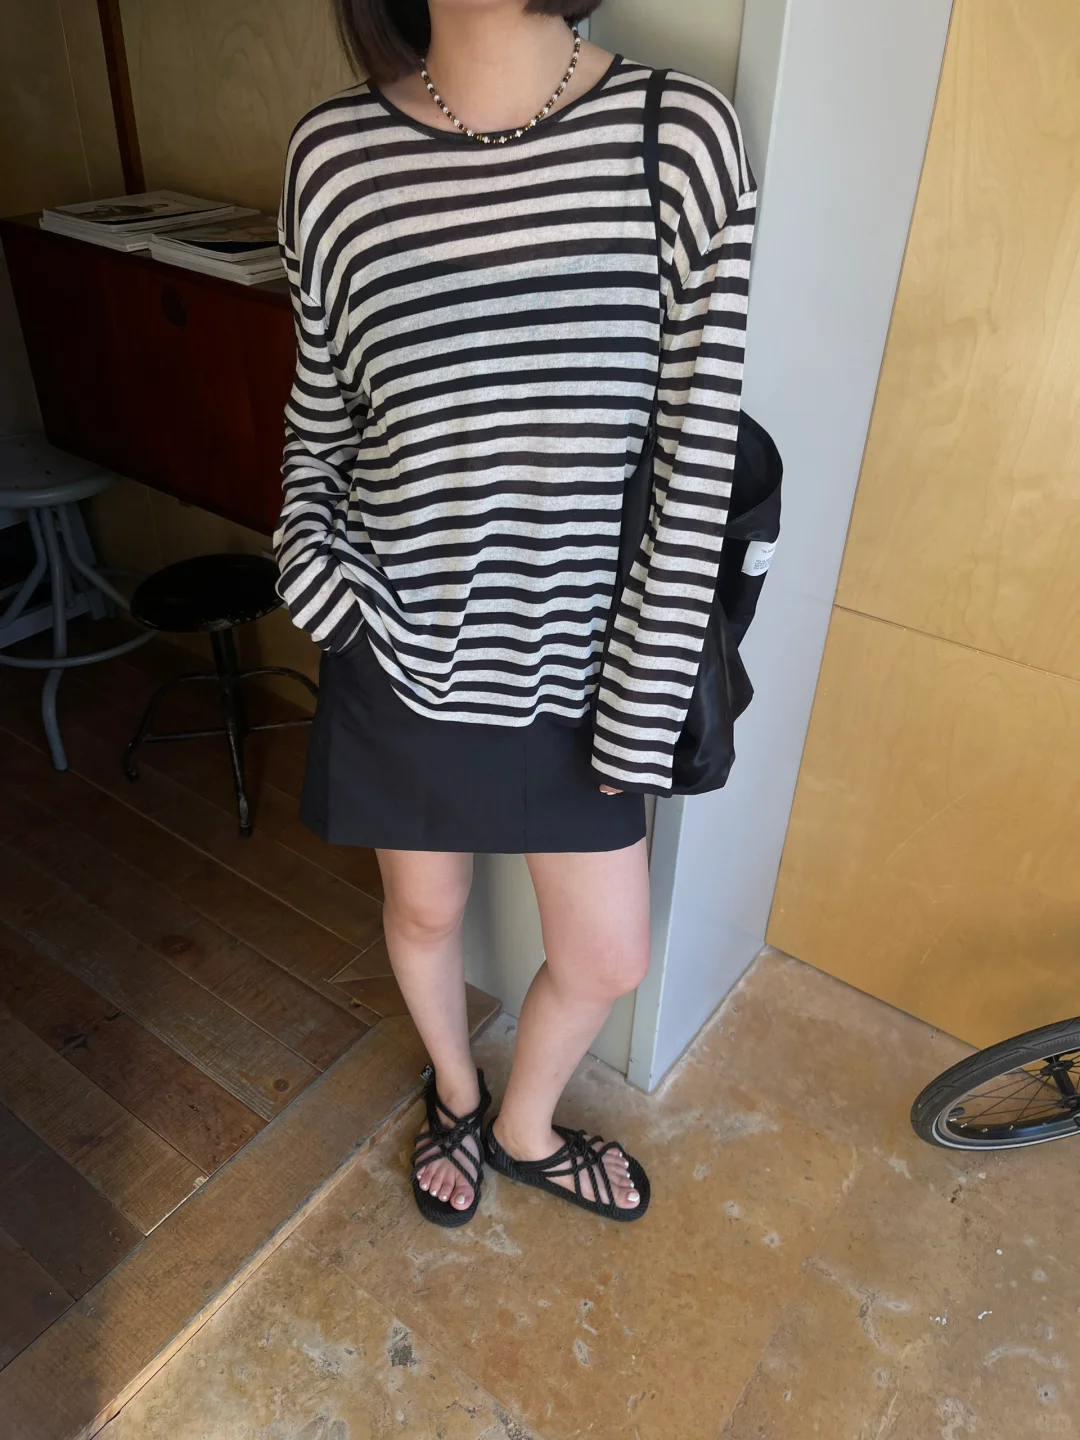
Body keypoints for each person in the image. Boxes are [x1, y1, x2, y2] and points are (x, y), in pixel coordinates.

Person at [273, 0, 757, 1227]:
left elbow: (694, 464)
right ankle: (456, 1092)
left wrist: (639, 706)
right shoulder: (333, 157)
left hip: (589, 665)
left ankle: (527, 1127)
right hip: (397, 642)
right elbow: (320, 423)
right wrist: (320, 584)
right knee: (423, 910)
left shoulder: (678, 137)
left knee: (608, 955)